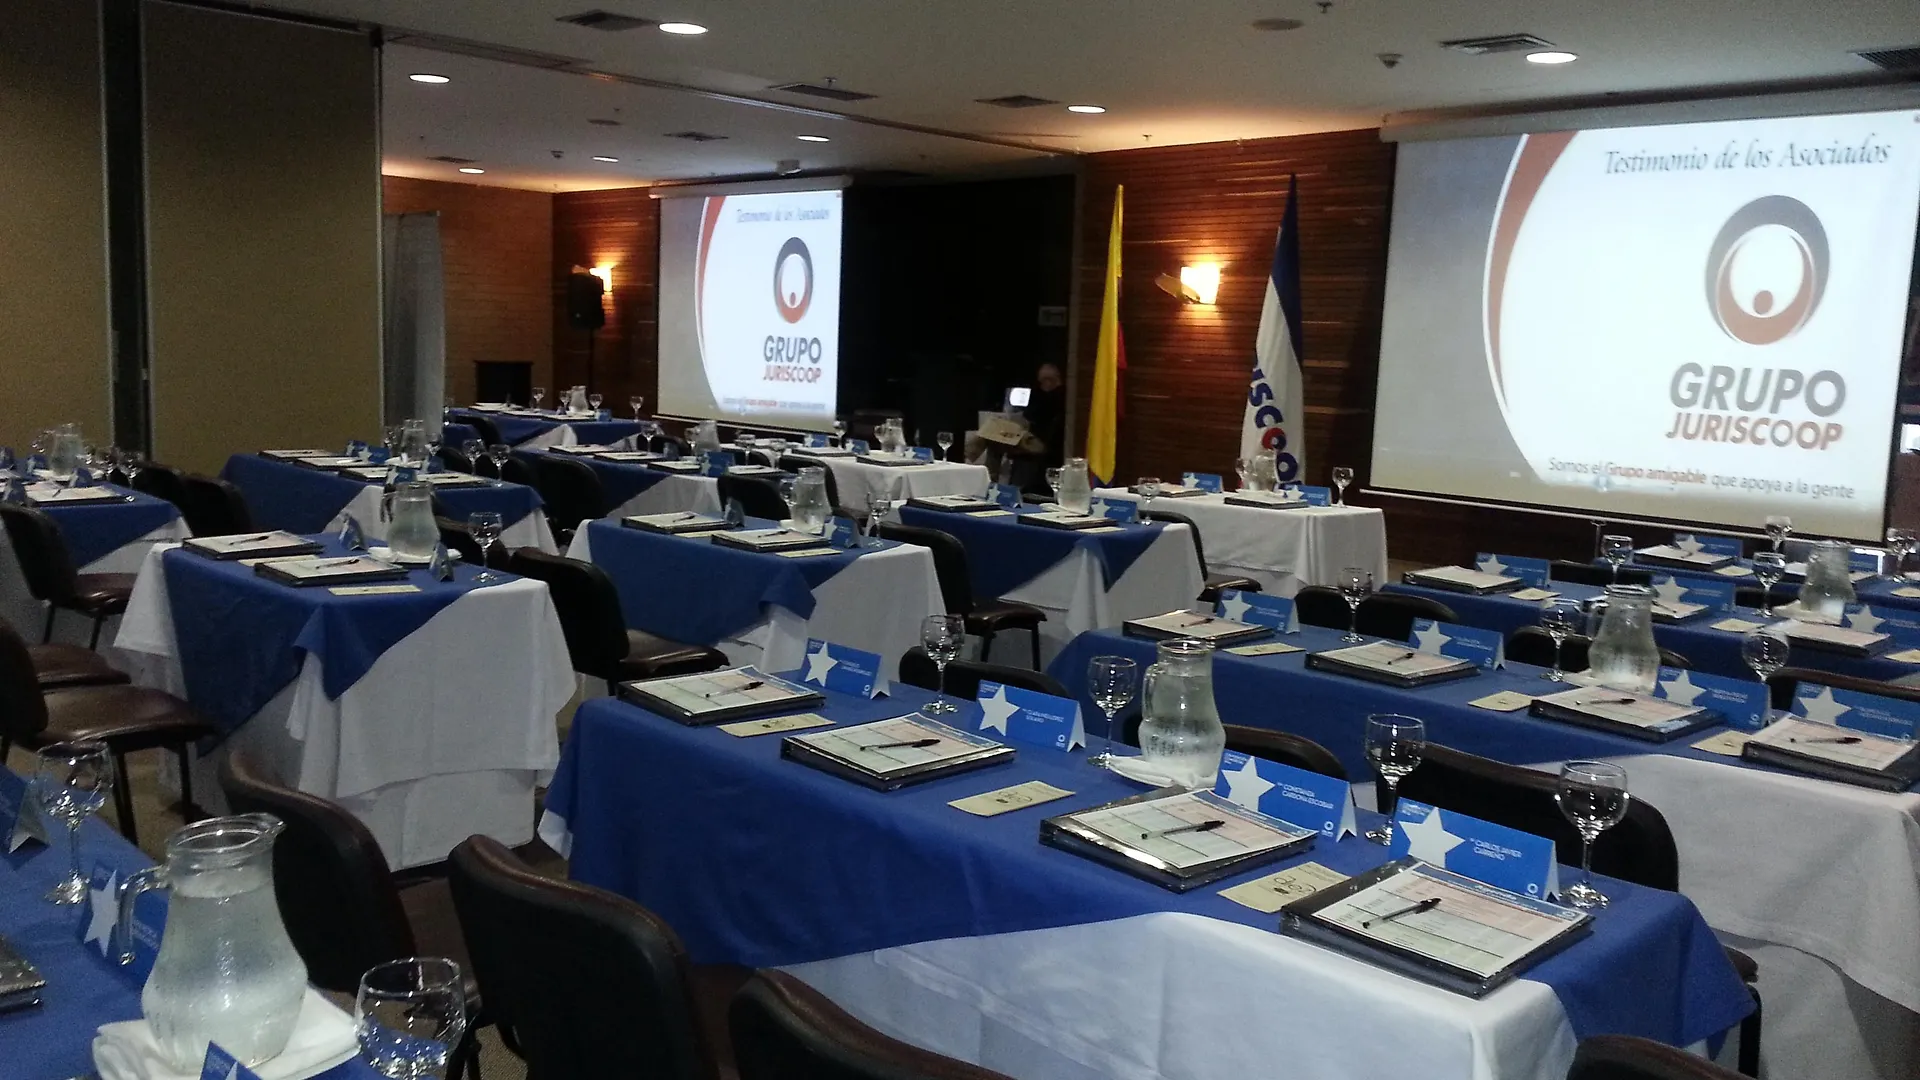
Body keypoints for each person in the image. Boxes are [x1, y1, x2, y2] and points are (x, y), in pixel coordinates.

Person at [1021, 362, 1067, 467]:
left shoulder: (1054, 398)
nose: (1041, 385)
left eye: (1043, 381)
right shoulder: (1047, 396)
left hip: (1045, 446)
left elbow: (1031, 416)